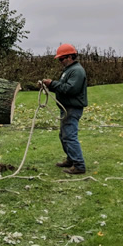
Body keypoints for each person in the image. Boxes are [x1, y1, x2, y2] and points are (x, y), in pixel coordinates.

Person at [42, 44, 88, 175]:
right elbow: (63, 86)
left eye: (61, 59)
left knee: (69, 136)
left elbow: (70, 89)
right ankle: (71, 159)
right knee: (64, 135)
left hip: (73, 108)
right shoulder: (69, 70)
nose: (60, 62)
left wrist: (52, 83)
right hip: (67, 107)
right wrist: (50, 85)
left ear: (69, 57)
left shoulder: (77, 71)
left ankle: (79, 165)